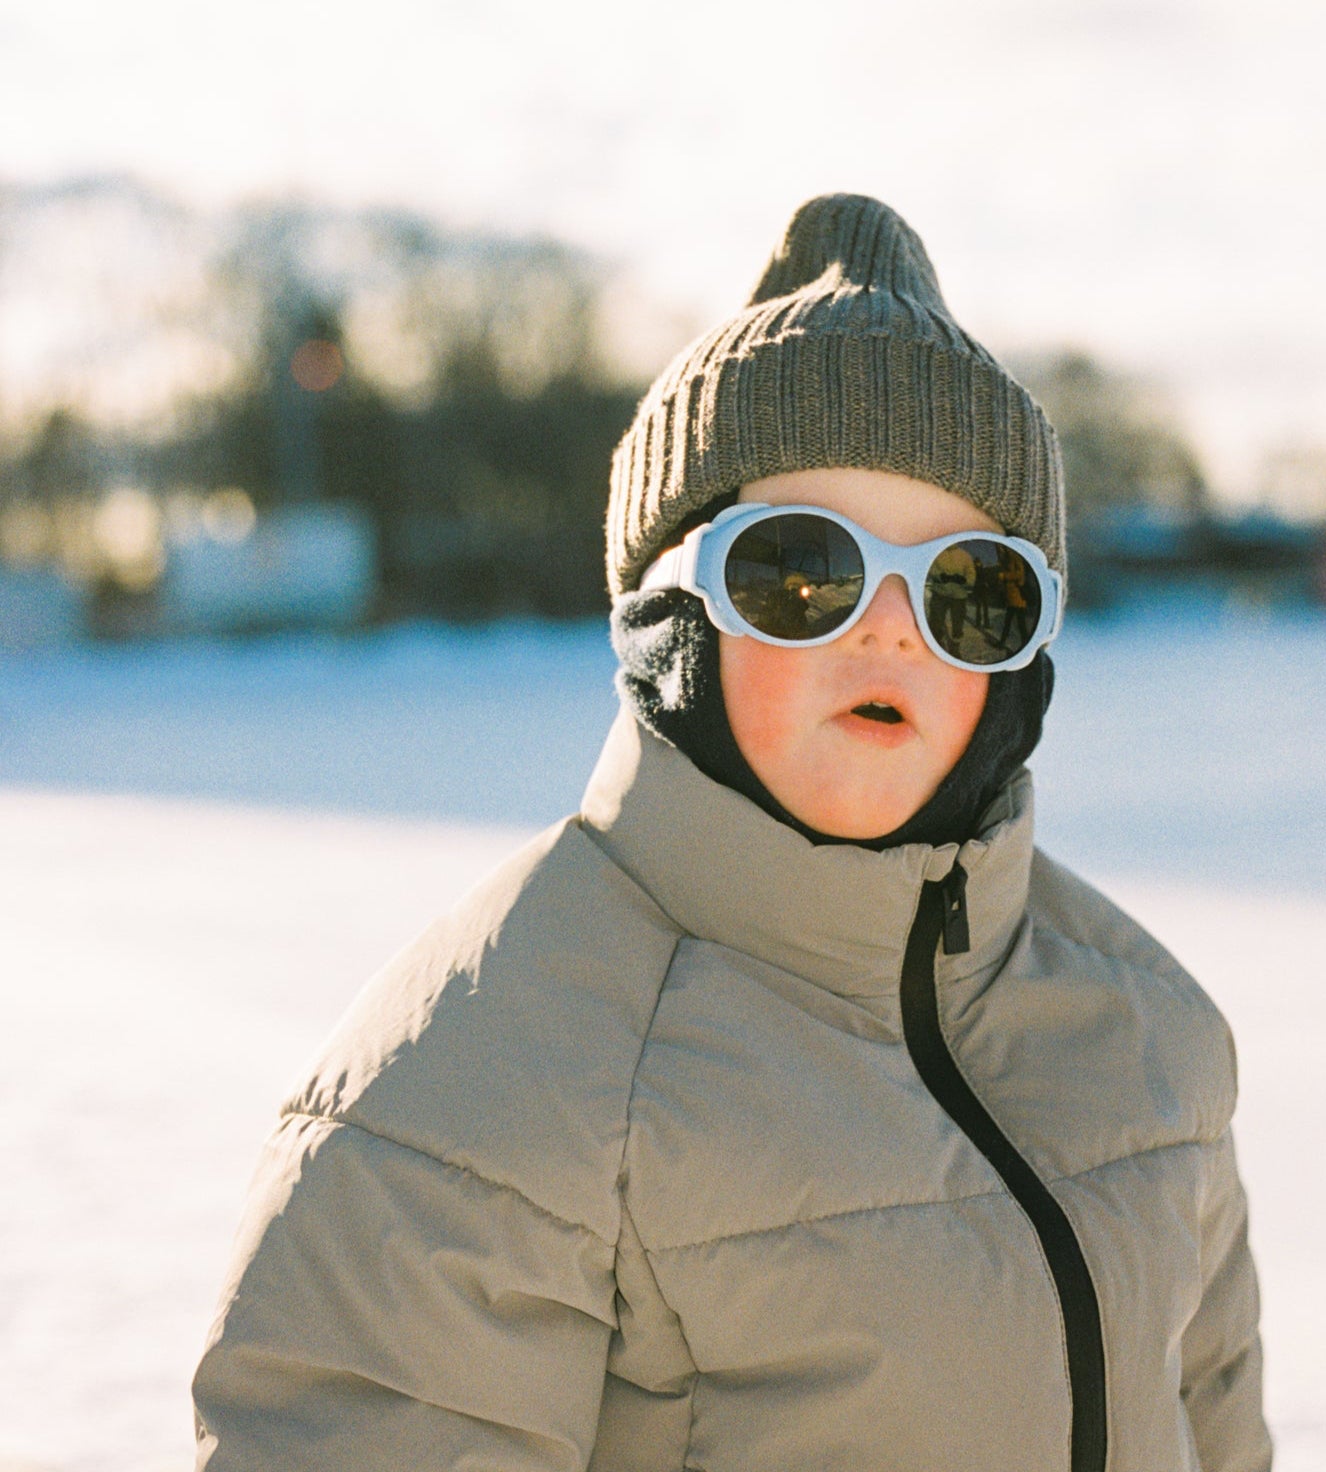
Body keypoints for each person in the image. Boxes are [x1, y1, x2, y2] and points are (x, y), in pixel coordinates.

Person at [193, 194, 1270, 1471]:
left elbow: (1211, 1423)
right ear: (672, 621)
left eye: (968, 592)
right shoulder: (484, 1091)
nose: (886, 630)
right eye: (800, 572)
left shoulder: (1148, 1031)